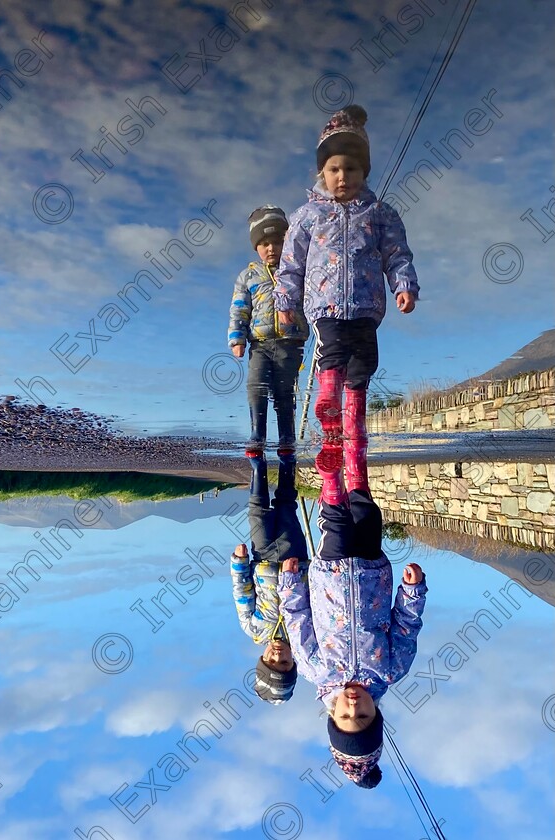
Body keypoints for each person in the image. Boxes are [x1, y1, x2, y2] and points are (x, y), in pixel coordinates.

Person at [274, 105, 419, 490]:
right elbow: (291, 263)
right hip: (325, 305)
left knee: (365, 363)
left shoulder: (380, 213)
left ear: (364, 172)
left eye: (352, 169)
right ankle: (327, 405)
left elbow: (396, 253)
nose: (343, 177)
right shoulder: (306, 216)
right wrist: (285, 301)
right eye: (335, 169)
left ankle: (352, 425)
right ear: (321, 172)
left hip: (367, 305)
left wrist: (403, 285)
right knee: (333, 352)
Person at [277, 443, 427, 786]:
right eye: (362, 715)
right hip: (374, 573)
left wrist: (289, 583)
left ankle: (330, 474)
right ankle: (354, 448)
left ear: (332, 715)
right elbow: (407, 626)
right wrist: (412, 592)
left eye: (345, 715)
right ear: (376, 714)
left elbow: (298, 620)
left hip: (329, 574)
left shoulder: (316, 670)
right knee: (367, 513)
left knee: (338, 523)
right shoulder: (391, 671)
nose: (353, 706)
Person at [230, 450, 309, 704]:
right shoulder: (303, 635)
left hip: (262, 557)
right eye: (284, 661)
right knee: (287, 506)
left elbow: (242, 592)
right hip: (294, 557)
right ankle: (287, 461)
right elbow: (315, 601)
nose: (277, 655)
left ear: (262, 658)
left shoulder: (252, 629)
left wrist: (239, 564)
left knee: (257, 511)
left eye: (271, 660)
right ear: (293, 661)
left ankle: (257, 465)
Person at [228, 206, 309, 455]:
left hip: (290, 342)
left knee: (285, 392)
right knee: (256, 387)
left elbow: (312, 299)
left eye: (277, 241)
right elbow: (239, 309)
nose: (271, 248)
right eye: (264, 243)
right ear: (256, 247)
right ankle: (257, 435)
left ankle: (287, 437)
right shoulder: (248, 276)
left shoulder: (297, 271)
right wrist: (236, 338)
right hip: (259, 345)